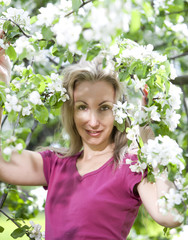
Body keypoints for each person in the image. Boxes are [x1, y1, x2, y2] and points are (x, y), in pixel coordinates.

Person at [0, 42, 182, 239]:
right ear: (71, 111)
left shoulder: (131, 166)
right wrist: (2, 79)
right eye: (82, 107)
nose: (92, 122)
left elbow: (171, 216)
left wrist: (151, 143)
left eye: (104, 108)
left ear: (118, 111)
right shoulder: (56, 164)